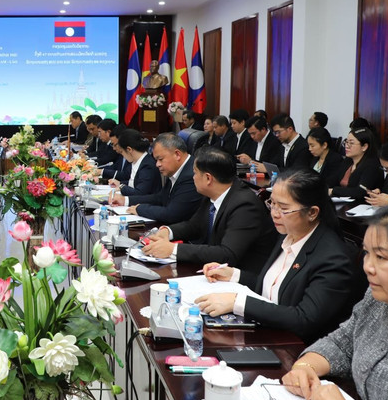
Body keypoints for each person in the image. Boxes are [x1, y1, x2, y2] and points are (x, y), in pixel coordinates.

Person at [282, 204, 388, 400]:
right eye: (366, 253)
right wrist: (304, 368)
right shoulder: (377, 300)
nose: (368, 267)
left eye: (381, 257)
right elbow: (342, 343)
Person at [195, 169, 357, 343]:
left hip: (296, 349)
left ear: (312, 213)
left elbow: (305, 319)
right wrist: (235, 275)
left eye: (284, 208)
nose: (274, 213)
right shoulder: (286, 233)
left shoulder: (333, 258)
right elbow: (274, 289)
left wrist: (238, 302)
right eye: (272, 203)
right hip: (266, 333)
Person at [142, 147, 277, 273]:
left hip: (241, 278)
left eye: (195, 173)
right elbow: (194, 226)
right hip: (213, 270)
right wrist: (168, 232)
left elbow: (227, 254)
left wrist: (173, 249)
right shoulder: (214, 193)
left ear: (208, 178)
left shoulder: (245, 206)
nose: (193, 177)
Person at [112, 133, 203, 225]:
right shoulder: (177, 170)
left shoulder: (192, 175)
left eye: (160, 159)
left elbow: (172, 214)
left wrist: (139, 209)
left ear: (177, 154)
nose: (157, 164)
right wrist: (126, 200)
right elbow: (160, 198)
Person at [329, 128, 383, 201]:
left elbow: (360, 192)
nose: (346, 146)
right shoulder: (348, 161)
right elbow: (333, 180)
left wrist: (333, 190)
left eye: (351, 143)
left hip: (361, 205)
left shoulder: (372, 165)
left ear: (364, 147)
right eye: (346, 142)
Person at [107, 128, 160, 197]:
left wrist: (121, 187)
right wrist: (119, 183)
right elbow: (135, 182)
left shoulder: (147, 166)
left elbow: (140, 193)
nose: (122, 155)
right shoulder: (136, 161)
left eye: (122, 152)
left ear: (129, 149)